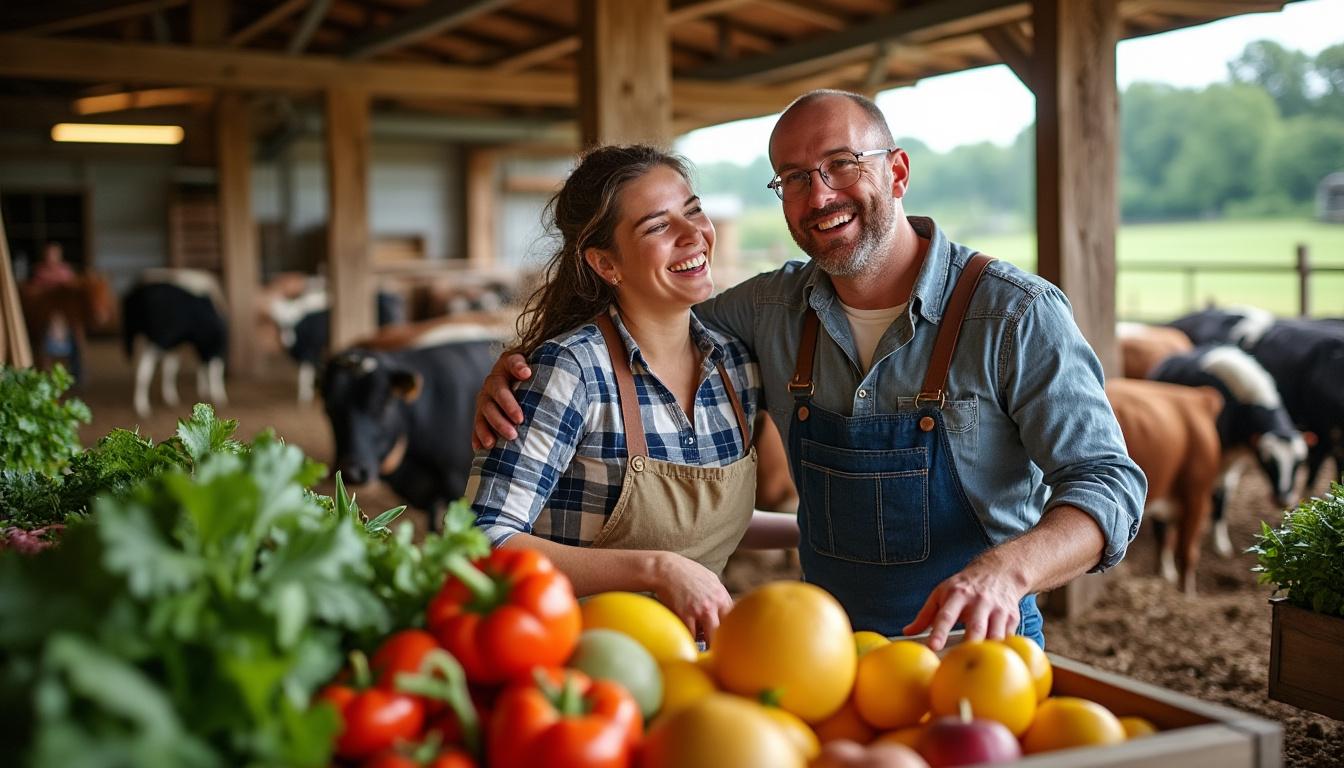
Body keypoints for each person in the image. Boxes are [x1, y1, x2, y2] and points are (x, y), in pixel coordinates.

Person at [473, 90, 1147, 651]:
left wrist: (1006, 571)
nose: (819, 194)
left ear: (898, 172)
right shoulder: (763, 314)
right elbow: (639, 325)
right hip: (823, 655)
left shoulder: (1014, 315)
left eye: (842, 164)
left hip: (977, 651)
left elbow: (1108, 483)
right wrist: (522, 365)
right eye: (794, 178)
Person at [465, 145, 797, 641]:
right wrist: (657, 569)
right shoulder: (572, 371)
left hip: (693, 664)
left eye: (693, 211)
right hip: (577, 666)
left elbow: (703, 523)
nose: (693, 235)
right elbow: (482, 542)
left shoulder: (737, 367)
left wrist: (810, 532)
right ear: (605, 263)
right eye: (657, 227)